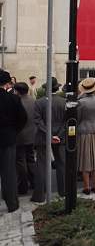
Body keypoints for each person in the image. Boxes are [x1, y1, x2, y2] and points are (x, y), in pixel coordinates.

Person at [31, 77, 66, 202]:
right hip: (60, 137)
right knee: (62, 164)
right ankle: (63, 192)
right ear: (57, 88)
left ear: (46, 89)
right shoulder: (64, 102)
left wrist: (49, 135)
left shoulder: (39, 102)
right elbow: (67, 122)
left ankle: (39, 196)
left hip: (43, 136)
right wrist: (58, 135)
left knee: (41, 165)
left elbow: (37, 121)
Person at [0, 70, 27, 212]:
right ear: (6, 83)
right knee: (8, 172)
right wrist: (14, 131)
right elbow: (23, 118)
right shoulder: (13, 99)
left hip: (8, 136)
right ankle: (11, 204)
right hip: (8, 138)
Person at [77, 78, 95, 195]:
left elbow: (77, 118)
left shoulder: (81, 102)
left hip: (84, 130)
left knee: (85, 159)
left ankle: (87, 187)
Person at [14, 82, 36, 195]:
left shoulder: (16, 102)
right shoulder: (33, 101)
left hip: (20, 135)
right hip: (32, 135)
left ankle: (23, 185)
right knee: (31, 159)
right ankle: (34, 182)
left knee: (20, 161)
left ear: (17, 91)